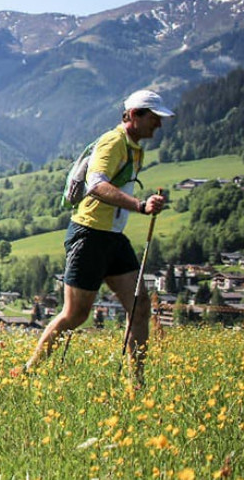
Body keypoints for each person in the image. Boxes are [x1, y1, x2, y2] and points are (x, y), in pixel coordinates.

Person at [22, 90, 172, 384]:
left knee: (140, 306)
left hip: (113, 238)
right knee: (75, 315)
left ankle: (136, 383)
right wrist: (140, 206)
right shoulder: (113, 142)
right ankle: (29, 371)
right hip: (89, 235)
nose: (159, 125)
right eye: (154, 118)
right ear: (134, 116)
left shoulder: (134, 148)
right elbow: (96, 185)